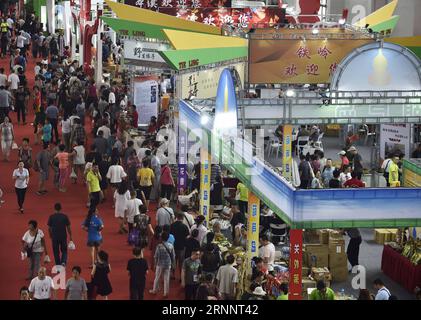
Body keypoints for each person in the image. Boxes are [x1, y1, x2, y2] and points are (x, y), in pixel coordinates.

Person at [150, 232, 175, 298]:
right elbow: (173, 256)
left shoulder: (159, 246)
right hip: (168, 264)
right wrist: (172, 263)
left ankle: (154, 290)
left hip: (160, 264)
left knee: (157, 277)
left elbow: (156, 256)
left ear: (162, 238)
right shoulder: (171, 245)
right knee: (166, 278)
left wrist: (155, 264)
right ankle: (166, 292)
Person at [47, 203, 72, 267]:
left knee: (56, 252)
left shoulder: (51, 217)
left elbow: (49, 228)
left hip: (54, 237)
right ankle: (63, 261)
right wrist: (71, 236)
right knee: (64, 250)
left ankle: (58, 265)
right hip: (63, 236)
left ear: (54, 208)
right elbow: (68, 227)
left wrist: (50, 235)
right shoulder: (65, 216)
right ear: (61, 208)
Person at [170, 212, 190, 277]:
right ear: (183, 218)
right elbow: (187, 236)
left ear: (176, 217)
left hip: (173, 245)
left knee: (173, 260)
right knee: (181, 262)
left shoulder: (172, 225)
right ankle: (181, 276)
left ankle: (173, 275)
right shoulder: (184, 226)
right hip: (182, 246)